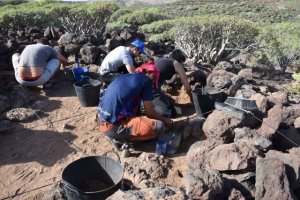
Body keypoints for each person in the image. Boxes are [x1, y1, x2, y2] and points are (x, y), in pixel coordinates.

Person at [97, 61, 173, 144]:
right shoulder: (146, 81)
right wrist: (165, 120)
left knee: (137, 108)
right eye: (154, 81)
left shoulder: (125, 77)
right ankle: (121, 140)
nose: (152, 84)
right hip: (112, 127)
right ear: (151, 76)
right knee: (159, 127)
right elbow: (150, 113)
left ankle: (119, 133)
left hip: (100, 119)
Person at [153, 49, 193, 117]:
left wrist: (165, 96)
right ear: (181, 61)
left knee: (168, 100)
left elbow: (156, 84)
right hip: (150, 90)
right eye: (182, 63)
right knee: (172, 113)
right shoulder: (176, 63)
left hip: (145, 86)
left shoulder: (161, 59)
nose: (182, 65)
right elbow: (188, 88)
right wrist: (193, 99)